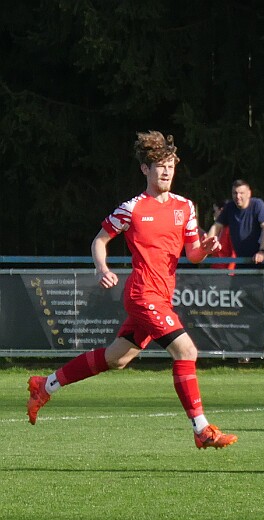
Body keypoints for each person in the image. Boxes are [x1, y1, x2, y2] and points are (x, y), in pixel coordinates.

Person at [26, 131, 238, 449]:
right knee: (186, 352)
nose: (166, 171)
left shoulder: (185, 207)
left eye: (171, 166)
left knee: (117, 358)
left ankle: (46, 385)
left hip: (161, 296)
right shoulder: (132, 208)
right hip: (143, 295)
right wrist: (102, 268)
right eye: (160, 166)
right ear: (145, 169)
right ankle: (201, 429)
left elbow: (193, 254)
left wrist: (205, 249)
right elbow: (99, 240)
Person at [208, 179, 264, 265]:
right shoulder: (229, 207)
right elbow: (216, 227)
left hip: (261, 262)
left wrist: (262, 251)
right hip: (241, 261)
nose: (238, 196)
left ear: (249, 193)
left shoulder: (257, 205)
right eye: (235, 193)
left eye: (241, 193)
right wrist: (207, 244)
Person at [208, 199, 236, 270]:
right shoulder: (219, 229)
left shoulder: (230, 229)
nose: (213, 214)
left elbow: (234, 253)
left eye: (214, 211)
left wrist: (230, 272)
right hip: (215, 270)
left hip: (225, 271)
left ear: (222, 210)